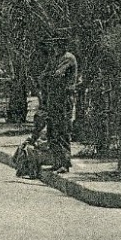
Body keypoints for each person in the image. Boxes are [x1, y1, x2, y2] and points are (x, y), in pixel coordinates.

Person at [37, 45, 78, 173]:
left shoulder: (68, 58)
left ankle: (64, 163)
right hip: (53, 99)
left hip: (64, 98)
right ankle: (57, 161)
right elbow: (43, 76)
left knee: (62, 130)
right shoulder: (55, 58)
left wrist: (48, 76)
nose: (55, 46)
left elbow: (57, 75)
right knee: (52, 131)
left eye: (58, 42)